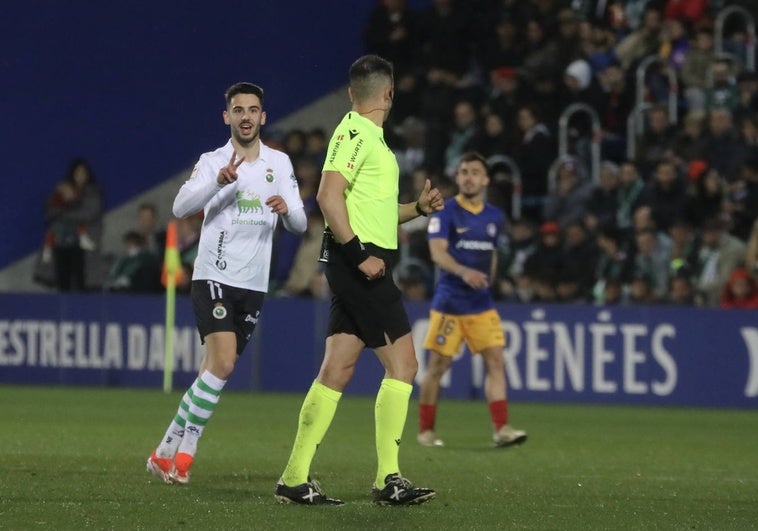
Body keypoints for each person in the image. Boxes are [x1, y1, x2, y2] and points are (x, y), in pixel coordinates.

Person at [275, 54, 443, 506]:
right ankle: (389, 478)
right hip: (360, 267)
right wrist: (359, 255)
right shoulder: (353, 132)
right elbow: (328, 197)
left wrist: (418, 210)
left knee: (337, 369)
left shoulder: (372, 141)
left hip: (357, 263)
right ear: (388, 94)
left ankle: (294, 477)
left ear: (353, 92)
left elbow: (378, 212)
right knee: (404, 367)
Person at [145, 82, 307, 485]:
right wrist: (217, 182)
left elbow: (302, 223)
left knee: (211, 372)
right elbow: (180, 207)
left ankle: (163, 450)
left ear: (263, 117)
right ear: (227, 117)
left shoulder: (280, 163)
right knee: (225, 363)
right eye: (239, 110)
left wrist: (287, 211)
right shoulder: (213, 160)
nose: (246, 117)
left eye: (253, 110)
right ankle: (187, 450)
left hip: (253, 284)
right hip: (213, 274)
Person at [417, 151, 526, 448]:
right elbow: (437, 252)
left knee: (496, 361)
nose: (469, 177)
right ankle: (426, 431)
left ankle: (501, 428)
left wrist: (487, 282)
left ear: (486, 179)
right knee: (438, 367)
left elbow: (491, 256)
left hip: (481, 304)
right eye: (464, 171)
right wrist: (465, 272)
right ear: (457, 177)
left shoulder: (494, 216)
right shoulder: (445, 211)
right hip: (450, 304)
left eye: (475, 172)